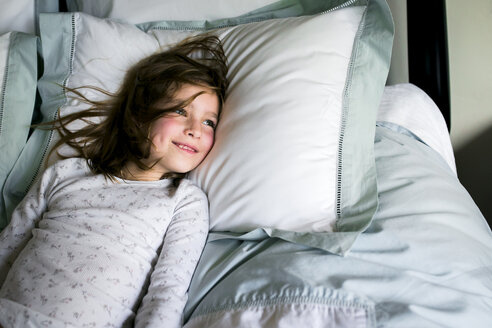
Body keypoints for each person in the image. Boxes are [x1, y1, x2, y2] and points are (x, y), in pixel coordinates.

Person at [0, 34, 228, 328]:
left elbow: (167, 292)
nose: (196, 129)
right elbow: (7, 248)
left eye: (209, 121)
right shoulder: (66, 174)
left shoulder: (184, 201)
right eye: (180, 110)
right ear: (142, 115)